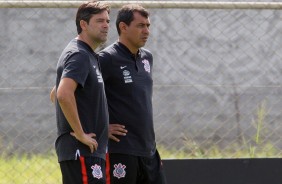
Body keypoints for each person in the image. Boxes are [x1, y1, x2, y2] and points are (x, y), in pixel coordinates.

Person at [99, 4, 167, 184]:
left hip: (148, 149)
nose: (146, 31)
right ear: (123, 27)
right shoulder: (106, 59)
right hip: (121, 150)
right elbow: (72, 95)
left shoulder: (147, 58)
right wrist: (101, 127)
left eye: (148, 26)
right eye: (140, 26)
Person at [53, 1, 110, 183]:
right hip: (82, 150)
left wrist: (100, 125)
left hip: (90, 150)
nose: (106, 25)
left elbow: (55, 92)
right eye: (100, 20)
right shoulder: (79, 54)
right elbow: (62, 94)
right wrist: (79, 133)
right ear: (83, 24)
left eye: (108, 21)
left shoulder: (87, 54)